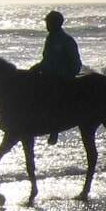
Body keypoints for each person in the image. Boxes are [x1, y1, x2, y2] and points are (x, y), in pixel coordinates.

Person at [29, 10, 82, 144]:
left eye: (48, 22)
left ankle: (54, 129)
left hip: (64, 75)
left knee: (52, 93)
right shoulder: (51, 38)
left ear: (55, 23)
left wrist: (56, 72)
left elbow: (74, 63)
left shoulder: (65, 40)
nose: (46, 25)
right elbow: (47, 60)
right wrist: (36, 68)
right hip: (50, 72)